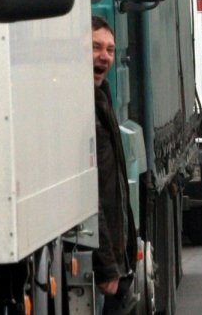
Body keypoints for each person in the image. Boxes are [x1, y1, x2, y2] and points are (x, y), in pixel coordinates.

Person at [91, 16, 138, 313]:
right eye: (95, 47)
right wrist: (107, 265)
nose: (104, 56)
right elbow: (91, 193)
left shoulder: (102, 98)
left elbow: (114, 186)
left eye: (109, 49)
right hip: (102, 261)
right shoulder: (82, 107)